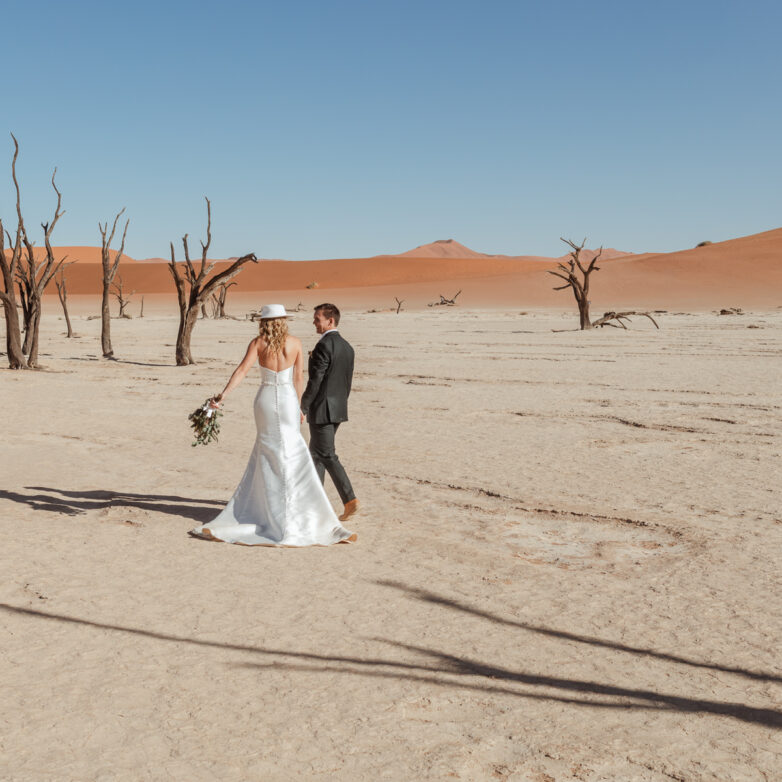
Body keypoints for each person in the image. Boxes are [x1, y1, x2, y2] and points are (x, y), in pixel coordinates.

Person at [189, 304, 356, 546]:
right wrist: (300, 407)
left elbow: (242, 370)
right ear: (283, 321)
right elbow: (298, 378)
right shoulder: (296, 343)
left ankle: (266, 506)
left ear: (264, 322)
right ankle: (297, 505)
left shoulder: (258, 343)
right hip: (288, 400)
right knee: (292, 449)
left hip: (265, 399)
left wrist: (222, 395)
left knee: (267, 450)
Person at [300, 303, 360, 522]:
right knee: (315, 455)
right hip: (338, 408)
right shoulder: (347, 347)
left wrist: (303, 406)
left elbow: (315, 381)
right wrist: (340, 404)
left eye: (317, 319)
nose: (314, 322)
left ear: (330, 321)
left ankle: (349, 499)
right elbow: (347, 382)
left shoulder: (324, 345)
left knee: (326, 455)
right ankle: (313, 502)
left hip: (322, 410)